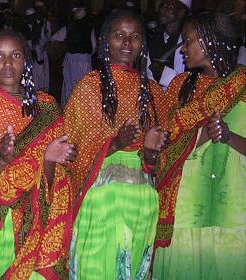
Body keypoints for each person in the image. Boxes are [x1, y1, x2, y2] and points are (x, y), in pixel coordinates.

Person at [0, 30, 76, 279]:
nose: (8, 64)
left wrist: (48, 161)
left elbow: (58, 182)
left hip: (39, 222)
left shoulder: (46, 106)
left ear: (26, 62)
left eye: (15, 55)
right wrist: (2, 159)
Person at [63, 9, 168, 279]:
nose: (127, 43)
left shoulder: (154, 92)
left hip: (140, 202)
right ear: (105, 41)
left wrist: (150, 151)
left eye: (134, 37)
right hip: (101, 199)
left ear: (142, 44)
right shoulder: (89, 86)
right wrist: (114, 144)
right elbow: (72, 150)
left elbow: (158, 164)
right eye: (119, 35)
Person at [153, 12, 246, 279]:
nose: (183, 48)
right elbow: (162, 142)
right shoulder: (181, 87)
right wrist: (202, 133)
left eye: (189, 40)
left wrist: (229, 137)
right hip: (185, 206)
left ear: (210, 42)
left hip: (232, 207)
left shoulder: (243, 83)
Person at [50, 6, 96, 108]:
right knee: (85, 87)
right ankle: (83, 110)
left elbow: (53, 38)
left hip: (71, 60)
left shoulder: (68, 27)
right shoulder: (90, 28)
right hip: (85, 61)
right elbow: (93, 48)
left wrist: (66, 44)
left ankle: (69, 111)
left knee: (70, 87)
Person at [147, 0, 191, 90]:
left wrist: (165, 76)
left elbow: (195, 84)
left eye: (169, 6)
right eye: (163, 5)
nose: (163, 9)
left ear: (181, 12)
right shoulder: (154, 39)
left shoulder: (190, 42)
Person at [20, 6, 51, 91]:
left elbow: (44, 40)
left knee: (41, 77)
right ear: (27, 18)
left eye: (33, 16)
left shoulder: (39, 26)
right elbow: (21, 42)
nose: (32, 19)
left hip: (39, 56)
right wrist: (31, 43)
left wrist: (38, 42)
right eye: (30, 17)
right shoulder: (22, 28)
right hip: (28, 57)